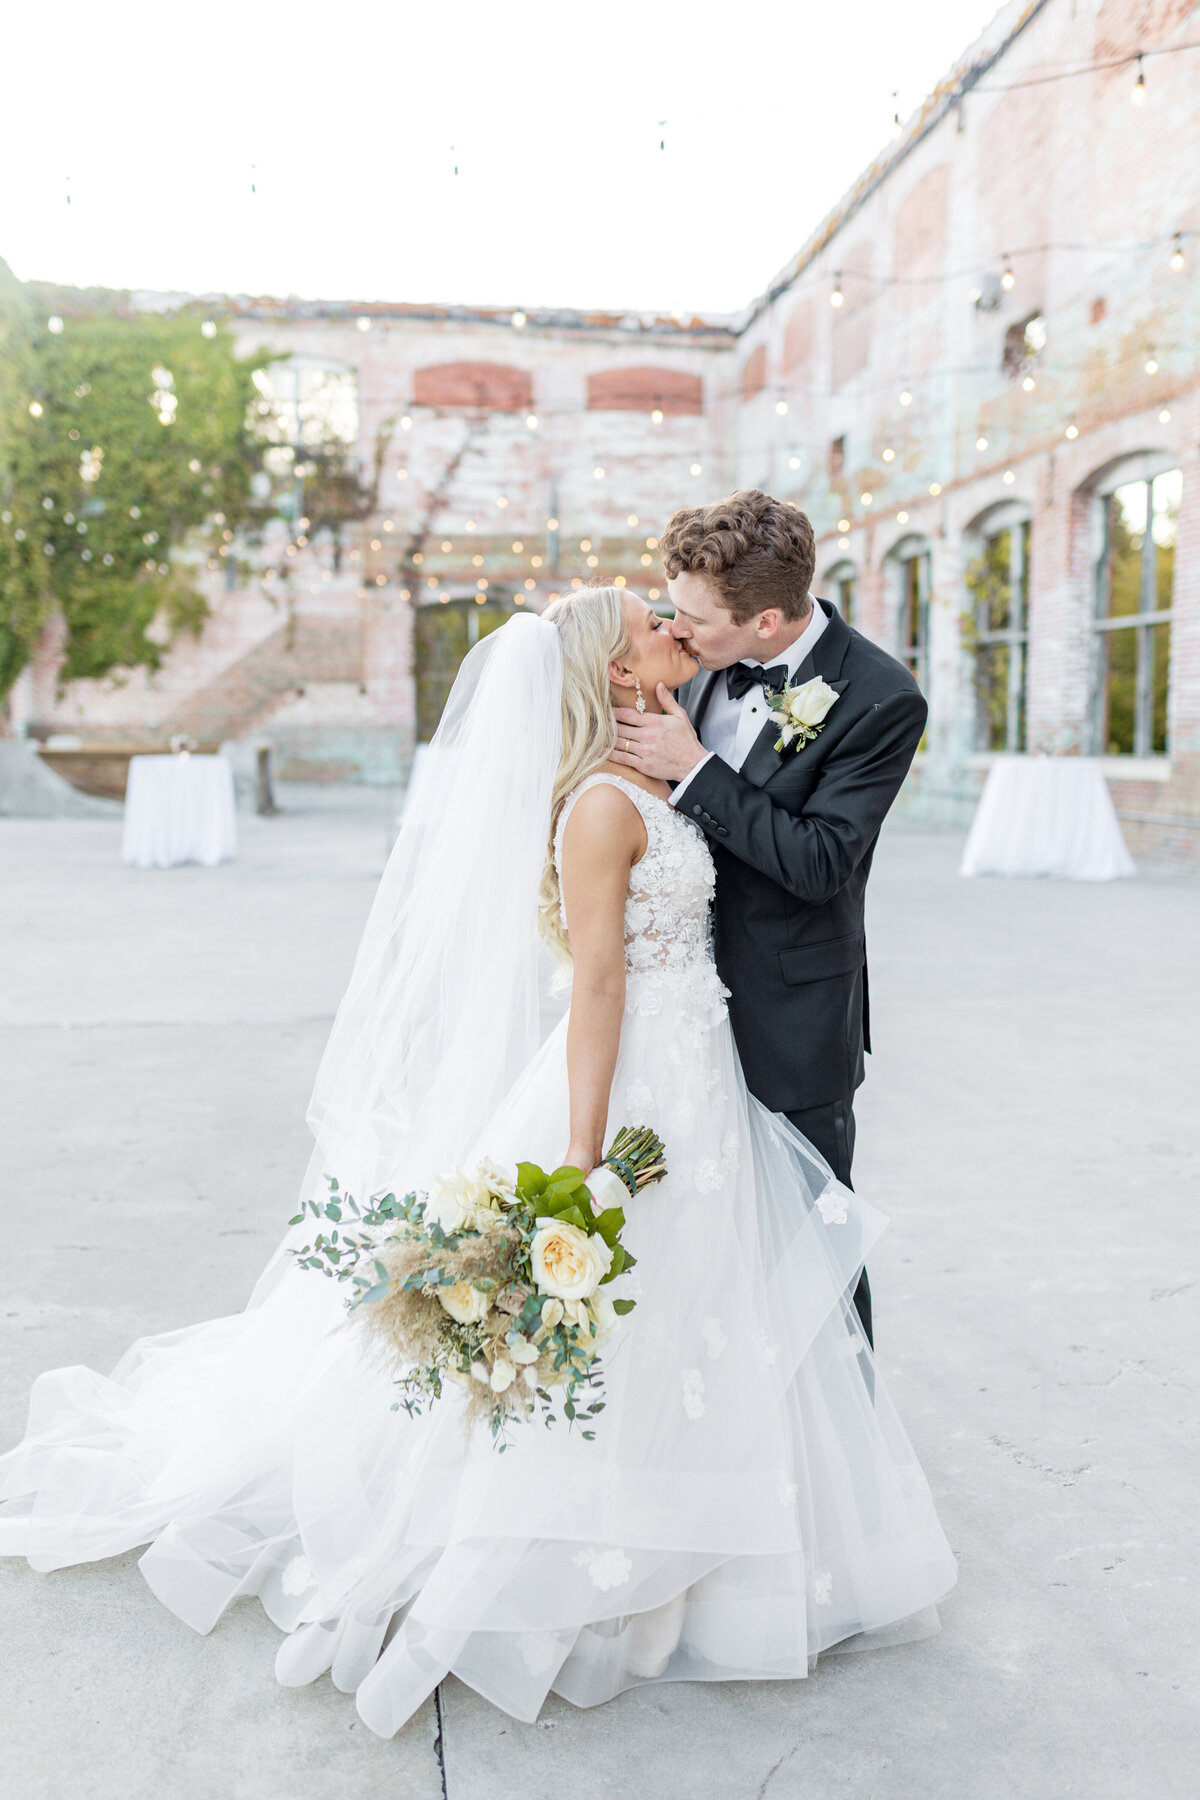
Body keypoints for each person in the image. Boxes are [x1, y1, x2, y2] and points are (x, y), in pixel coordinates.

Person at [0, 589, 954, 1738]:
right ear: (616, 671)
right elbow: (597, 986)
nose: (675, 627)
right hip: (642, 1081)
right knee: (633, 1309)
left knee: (709, 1306)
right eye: (653, 621)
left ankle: (708, 1543)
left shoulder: (667, 752)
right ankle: (594, 1551)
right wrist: (584, 1153)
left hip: (710, 1068)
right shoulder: (600, 805)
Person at [613, 490, 929, 1349]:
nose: (676, 631)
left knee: (812, 1244)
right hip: (674, 1006)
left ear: (764, 621)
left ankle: (846, 1418)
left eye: (693, 619)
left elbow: (823, 863)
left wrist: (697, 771)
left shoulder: (882, 698)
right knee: (690, 1230)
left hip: (793, 1012)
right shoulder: (689, 660)